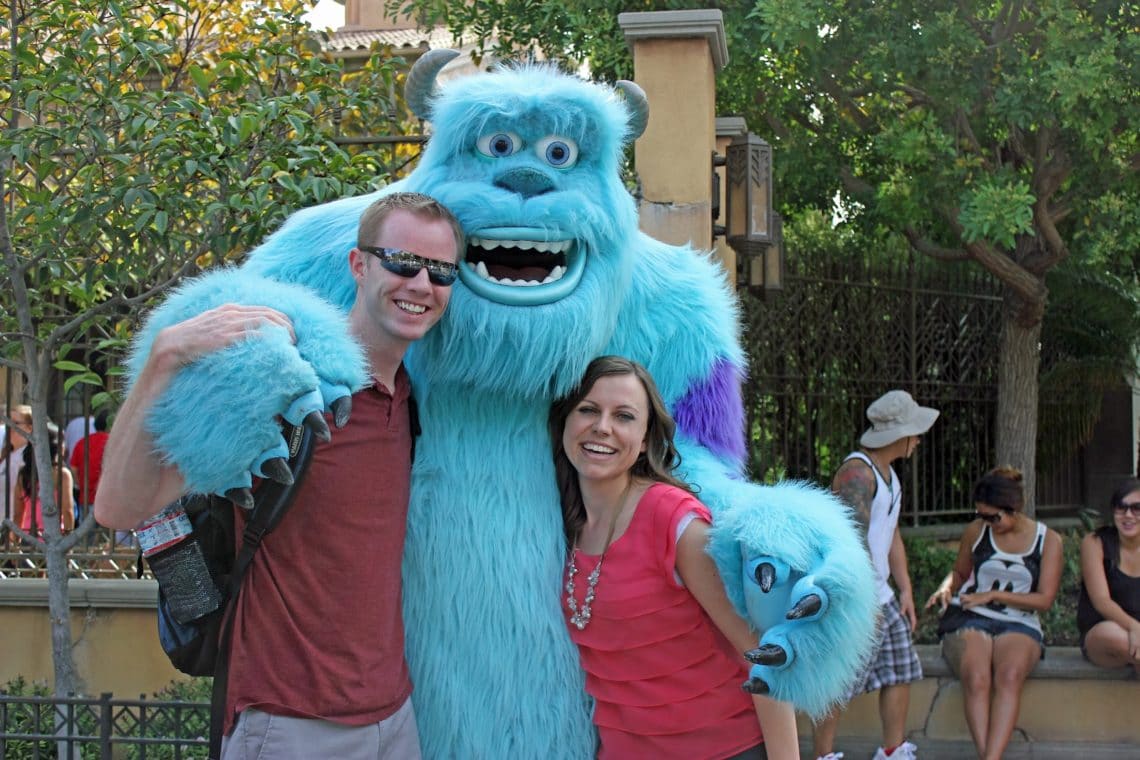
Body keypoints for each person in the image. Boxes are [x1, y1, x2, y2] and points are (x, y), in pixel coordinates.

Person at [94, 192, 463, 760]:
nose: (420, 284)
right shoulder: (289, 393)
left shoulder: (412, 400)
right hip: (289, 723)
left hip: (395, 717)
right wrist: (164, 358)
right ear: (359, 265)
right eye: (401, 261)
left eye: (440, 272)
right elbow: (118, 509)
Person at [549, 355, 799, 760]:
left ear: (647, 438)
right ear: (565, 421)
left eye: (624, 416)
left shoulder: (675, 520)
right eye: (588, 410)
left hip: (726, 749)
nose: (602, 427)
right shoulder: (558, 525)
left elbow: (762, 653)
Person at [812, 390, 938, 760]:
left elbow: (891, 533)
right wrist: (864, 602)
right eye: (915, 432)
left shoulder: (890, 476)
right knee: (840, 681)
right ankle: (823, 756)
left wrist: (906, 590)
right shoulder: (857, 472)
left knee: (900, 671)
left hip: (880, 595)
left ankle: (893, 751)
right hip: (854, 598)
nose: (918, 440)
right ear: (898, 434)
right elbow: (852, 541)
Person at [925, 467, 1062, 760]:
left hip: (1020, 621)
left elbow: (1044, 600)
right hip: (971, 615)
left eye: (993, 517)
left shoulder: (1048, 540)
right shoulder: (977, 531)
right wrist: (945, 588)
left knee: (1009, 675)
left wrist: (995, 594)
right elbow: (960, 572)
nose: (987, 522)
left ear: (1015, 508)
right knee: (976, 677)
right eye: (982, 515)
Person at [1076, 477, 1140, 672]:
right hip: (1103, 632)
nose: (1128, 515)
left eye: (1136, 508)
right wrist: (1134, 627)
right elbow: (1101, 601)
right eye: (1121, 507)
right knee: (1118, 637)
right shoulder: (1095, 543)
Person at [11, 419, 75, 537]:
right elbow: (67, 511)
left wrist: (15, 543)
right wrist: (67, 539)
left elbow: (18, 514)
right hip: (54, 537)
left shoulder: (24, 474)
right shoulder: (61, 474)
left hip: (29, 536)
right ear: (56, 446)